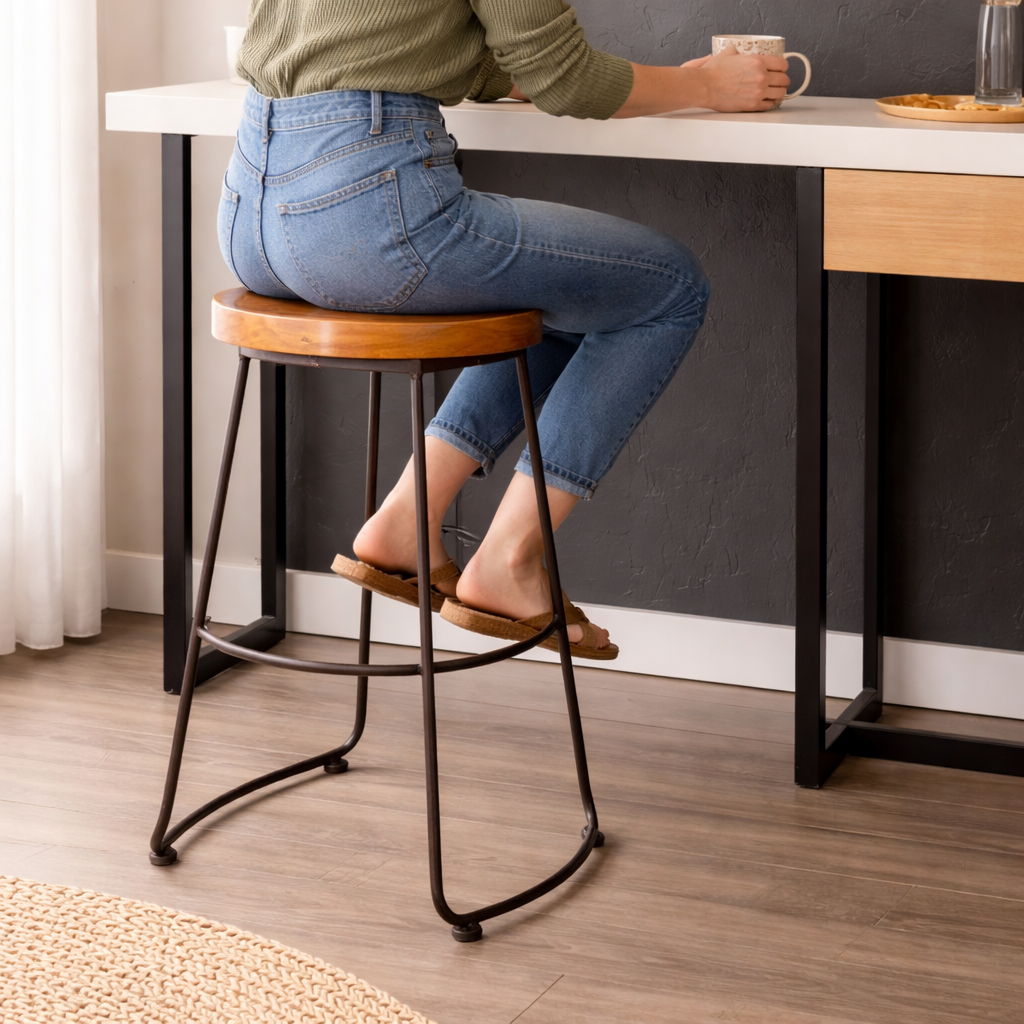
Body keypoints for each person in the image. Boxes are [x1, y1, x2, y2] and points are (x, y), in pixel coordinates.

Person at [222, 1, 790, 659]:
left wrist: (520, 71)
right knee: (667, 288)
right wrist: (705, 85)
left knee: (567, 287)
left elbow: (387, 39)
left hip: (252, 215)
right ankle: (511, 560)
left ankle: (407, 521)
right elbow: (567, 80)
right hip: (362, 216)